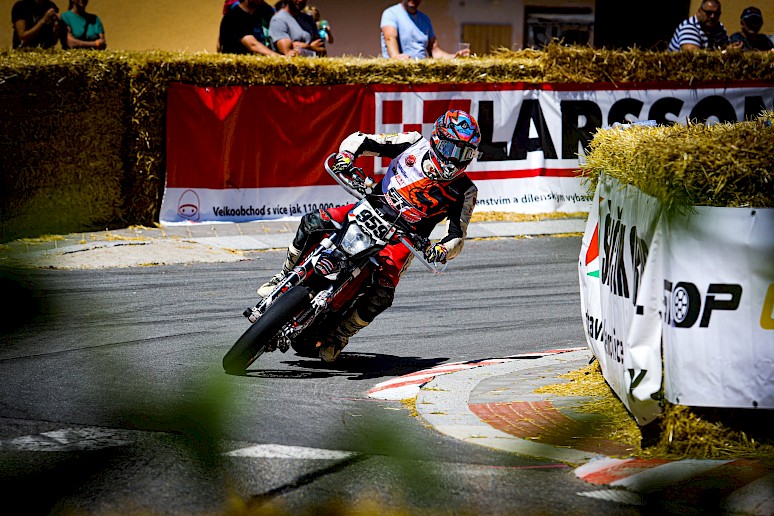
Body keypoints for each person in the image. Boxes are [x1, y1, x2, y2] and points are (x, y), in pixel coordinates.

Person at [256, 110, 481, 362]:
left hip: (404, 238)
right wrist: (346, 157)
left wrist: (440, 250)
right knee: (312, 222)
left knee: (383, 292)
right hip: (369, 208)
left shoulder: (466, 190)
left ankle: (340, 334)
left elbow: (457, 236)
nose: (455, 159)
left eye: (465, 154)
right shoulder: (413, 143)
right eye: (452, 149)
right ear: (437, 139)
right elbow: (361, 139)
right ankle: (284, 275)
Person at [380, 0, 469, 59]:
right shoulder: (391, 14)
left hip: (420, 74)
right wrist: (396, 56)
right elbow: (390, 38)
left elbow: (435, 51)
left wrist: (455, 57)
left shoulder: (425, 19)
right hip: (398, 75)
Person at [668, 0, 742, 51]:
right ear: (699, 11)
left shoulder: (719, 27)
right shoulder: (689, 27)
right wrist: (726, 52)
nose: (712, 16)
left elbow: (726, 46)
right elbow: (694, 58)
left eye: (716, 14)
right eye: (708, 13)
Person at [218, 0, 284, 56]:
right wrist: (281, 58)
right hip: (238, 65)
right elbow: (252, 45)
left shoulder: (259, 12)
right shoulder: (234, 17)